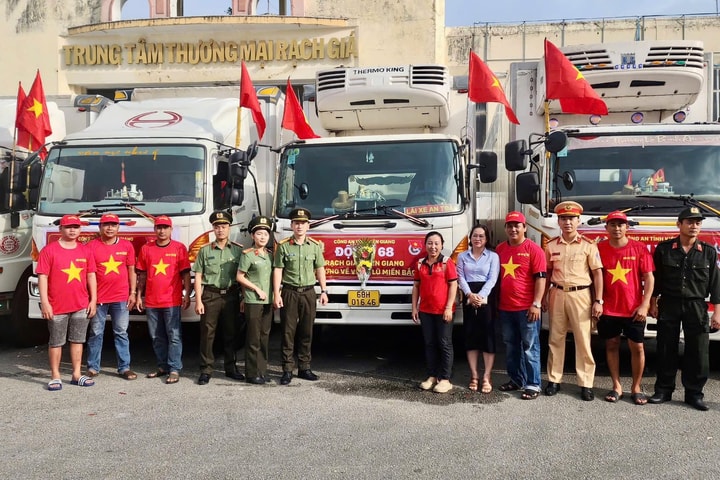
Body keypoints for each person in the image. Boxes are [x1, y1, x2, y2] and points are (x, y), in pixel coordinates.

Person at [648, 206, 720, 411]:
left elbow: (715, 283)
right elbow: (657, 280)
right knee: (665, 348)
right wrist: (653, 302)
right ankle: (663, 390)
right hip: (669, 303)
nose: (694, 226)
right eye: (689, 222)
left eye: (697, 222)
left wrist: (717, 312)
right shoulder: (664, 249)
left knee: (698, 351)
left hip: (696, 304)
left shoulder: (707, 252)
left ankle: (694, 394)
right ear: (679, 225)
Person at [543, 201, 604, 401]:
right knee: (555, 338)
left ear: (579, 221)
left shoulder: (588, 245)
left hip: (581, 295)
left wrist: (598, 300)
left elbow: (597, 274)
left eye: (572, 218)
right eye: (564, 218)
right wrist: (543, 296)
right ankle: (554, 379)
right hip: (558, 294)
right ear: (558, 221)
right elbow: (548, 272)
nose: (568, 222)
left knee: (583, 340)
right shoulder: (551, 245)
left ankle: (586, 383)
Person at [597, 211, 654, 405]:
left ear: (627, 227)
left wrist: (645, 304)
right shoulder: (599, 248)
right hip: (609, 309)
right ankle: (616, 386)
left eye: (621, 224)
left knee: (637, 347)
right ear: (606, 228)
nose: (617, 228)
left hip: (633, 309)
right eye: (612, 224)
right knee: (611, 345)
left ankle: (636, 387)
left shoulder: (639, 249)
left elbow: (649, 278)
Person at [37, 214, 97, 390]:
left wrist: (93, 300)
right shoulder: (49, 250)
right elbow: (42, 277)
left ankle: (76, 374)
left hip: (81, 304)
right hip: (56, 305)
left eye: (76, 227)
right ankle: (55, 376)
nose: (72, 230)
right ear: (60, 229)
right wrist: (45, 302)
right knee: (56, 341)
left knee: (78, 340)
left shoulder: (85, 250)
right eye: (68, 227)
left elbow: (91, 275)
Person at [273, 208, 329, 385]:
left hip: (308, 293)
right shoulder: (283, 246)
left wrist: (324, 290)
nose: (299, 226)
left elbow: (320, 269)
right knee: (288, 332)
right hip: (289, 292)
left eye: (303, 223)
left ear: (308, 226)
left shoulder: (314, 246)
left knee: (307, 331)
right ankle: (287, 369)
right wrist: (276, 293)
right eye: (296, 223)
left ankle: (304, 367)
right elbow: (278, 270)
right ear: (291, 225)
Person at [495, 212, 547, 400]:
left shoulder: (535, 250)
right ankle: (516, 379)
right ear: (506, 229)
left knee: (530, 347)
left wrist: (536, 304)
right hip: (506, 308)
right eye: (509, 225)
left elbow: (541, 278)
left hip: (527, 308)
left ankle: (533, 384)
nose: (513, 229)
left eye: (517, 225)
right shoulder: (500, 249)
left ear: (525, 227)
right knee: (511, 347)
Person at [136, 215, 191, 384]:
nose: (162, 231)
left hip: (172, 300)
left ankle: (174, 368)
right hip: (152, 301)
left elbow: (186, 274)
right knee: (156, 336)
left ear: (171, 230)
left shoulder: (179, 248)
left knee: (174, 335)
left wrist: (187, 294)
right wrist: (139, 296)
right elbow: (142, 275)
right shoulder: (146, 249)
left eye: (165, 227)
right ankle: (162, 366)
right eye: (159, 227)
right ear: (154, 230)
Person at [193, 211, 244, 385]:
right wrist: (198, 300)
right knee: (207, 334)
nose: (220, 230)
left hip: (231, 295)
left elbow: (243, 276)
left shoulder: (238, 251)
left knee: (231, 333)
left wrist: (243, 298)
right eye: (217, 227)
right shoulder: (205, 250)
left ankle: (231, 368)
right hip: (210, 295)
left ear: (229, 228)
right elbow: (198, 276)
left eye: (223, 226)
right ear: (213, 229)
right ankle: (206, 369)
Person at [85, 213, 138, 380]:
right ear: (100, 227)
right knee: (95, 332)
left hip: (121, 296)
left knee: (121, 332)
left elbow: (131, 270)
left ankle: (124, 367)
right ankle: (93, 367)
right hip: (99, 298)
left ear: (118, 228)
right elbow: (89, 273)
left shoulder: (127, 246)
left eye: (113, 225)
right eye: (106, 225)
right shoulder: (91, 246)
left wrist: (133, 292)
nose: (109, 228)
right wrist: (91, 298)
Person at [411, 231, 458, 394]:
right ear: (425, 245)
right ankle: (432, 375)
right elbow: (416, 286)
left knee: (444, 343)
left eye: (436, 243)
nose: (433, 246)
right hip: (425, 310)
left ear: (442, 245)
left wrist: (448, 307)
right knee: (430, 343)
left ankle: (445, 379)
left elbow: (453, 285)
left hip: (443, 311)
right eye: (430, 243)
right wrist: (414, 307)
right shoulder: (419, 264)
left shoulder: (447, 262)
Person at [455, 224, 499, 394]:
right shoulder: (462, 256)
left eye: (481, 236)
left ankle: (487, 377)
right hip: (469, 297)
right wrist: (469, 295)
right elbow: (460, 276)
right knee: (471, 335)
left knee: (488, 337)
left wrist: (480, 296)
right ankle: (474, 375)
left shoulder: (493, 256)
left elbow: (492, 278)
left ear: (486, 239)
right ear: (470, 237)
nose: (478, 239)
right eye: (475, 235)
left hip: (486, 296)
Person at [237, 216, 274, 384]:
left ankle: (262, 370)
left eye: (265, 234)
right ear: (252, 236)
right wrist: (255, 289)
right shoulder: (248, 254)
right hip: (254, 300)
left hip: (268, 301)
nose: (263, 237)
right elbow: (240, 277)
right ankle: (251, 373)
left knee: (264, 337)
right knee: (253, 338)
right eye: (259, 234)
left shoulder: (270, 255)